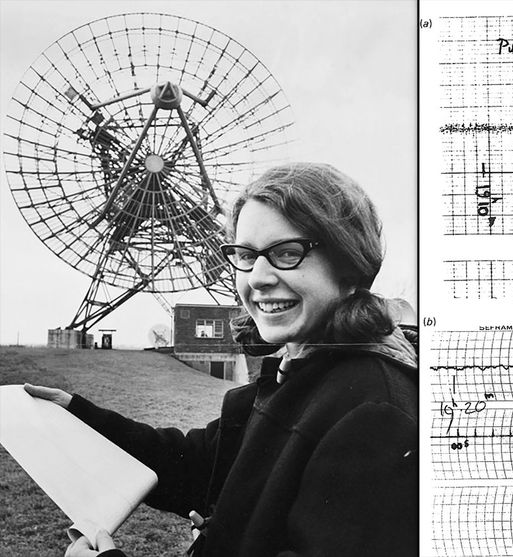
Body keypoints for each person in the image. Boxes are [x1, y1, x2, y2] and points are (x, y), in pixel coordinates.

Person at [26, 162, 418, 557]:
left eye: (287, 252)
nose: (258, 277)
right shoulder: (294, 374)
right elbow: (196, 466)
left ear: (350, 265)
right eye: (246, 255)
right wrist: (78, 414)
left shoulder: (375, 413)